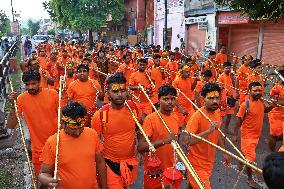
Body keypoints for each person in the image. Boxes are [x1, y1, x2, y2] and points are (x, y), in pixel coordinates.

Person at [39, 102, 107, 189]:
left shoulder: (92, 134)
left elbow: (100, 162)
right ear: (63, 124)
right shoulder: (53, 142)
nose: (78, 132)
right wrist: (49, 181)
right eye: (73, 129)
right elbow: (43, 174)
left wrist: (104, 186)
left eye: (80, 127)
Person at [91, 73, 139, 188]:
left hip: (130, 162)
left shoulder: (133, 108)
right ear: (108, 93)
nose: (120, 95)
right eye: (115, 91)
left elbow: (139, 128)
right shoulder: (100, 115)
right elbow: (95, 144)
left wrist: (140, 148)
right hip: (109, 163)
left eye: (123, 91)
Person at [6, 70, 58, 175]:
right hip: (38, 150)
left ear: (39, 82)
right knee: (43, 180)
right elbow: (11, 125)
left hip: (57, 146)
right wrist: (13, 105)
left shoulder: (53, 94)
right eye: (27, 84)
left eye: (33, 84)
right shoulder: (21, 99)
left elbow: (62, 119)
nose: (30, 87)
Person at [185, 82, 230, 189]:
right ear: (203, 98)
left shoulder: (217, 112)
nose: (215, 101)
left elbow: (217, 133)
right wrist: (208, 131)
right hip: (196, 162)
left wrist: (224, 152)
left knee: (193, 185)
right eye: (210, 98)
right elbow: (186, 141)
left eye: (217, 98)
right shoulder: (197, 116)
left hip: (209, 161)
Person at [233, 82, 274, 188]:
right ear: (249, 91)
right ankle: (250, 179)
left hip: (256, 135)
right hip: (247, 135)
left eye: (260, 90)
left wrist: (272, 106)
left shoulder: (261, 101)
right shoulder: (245, 105)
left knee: (246, 153)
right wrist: (235, 135)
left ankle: (240, 163)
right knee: (250, 158)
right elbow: (238, 121)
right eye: (255, 90)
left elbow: (263, 110)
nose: (258, 92)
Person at [138, 85, 180, 189]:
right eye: (166, 99)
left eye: (172, 99)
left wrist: (178, 163)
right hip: (154, 169)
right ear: (159, 100)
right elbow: (141, 147)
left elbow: (175, 144)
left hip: (171, 168)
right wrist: (164, 141)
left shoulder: (175, 117)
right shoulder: (151, 119)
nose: (170, 102)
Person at [217, 62, 239, 134]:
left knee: (229, 115)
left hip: (231, 98)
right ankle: (219, 130)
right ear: (223, 68)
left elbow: (234, 85)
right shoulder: (221, 77)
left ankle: (226, 128)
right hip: (223, 99)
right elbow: (218, 88)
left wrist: (233, 78)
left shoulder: (231, 75)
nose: (228, 69)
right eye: (226, 68)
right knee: (222, 116)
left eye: (229, 68)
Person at [267, 70, 284, 151]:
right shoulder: (277, 87)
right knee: (274, 136)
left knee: (281, 136)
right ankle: (272, 153)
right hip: (277, 114)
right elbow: (273, 101)